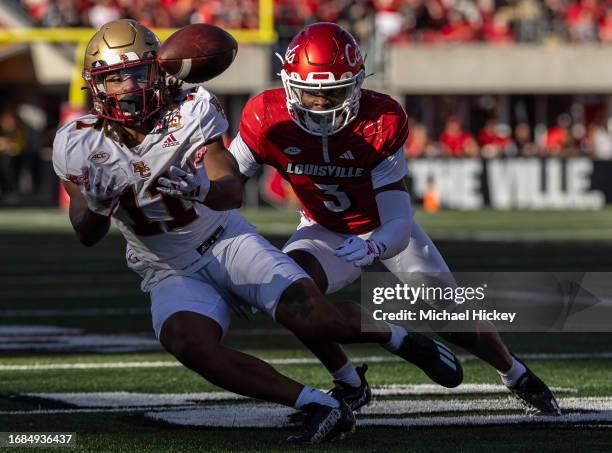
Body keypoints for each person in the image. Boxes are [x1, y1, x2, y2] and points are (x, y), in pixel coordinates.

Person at [52, 19, 463, 444]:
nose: (126, 87)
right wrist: (99, 207)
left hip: (225, 241)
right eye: (114, 78)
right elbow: (85, 232)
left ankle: (395, 337)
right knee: (188, 343)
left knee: (313, 316)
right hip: (166, 267)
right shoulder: (77, 143)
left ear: (158, 71)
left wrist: (203, 188)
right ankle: (316, 404)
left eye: (136, 74)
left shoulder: (190, 109)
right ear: (95, 85)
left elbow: (232, 190)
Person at [229, 22, 561, 416]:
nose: (321, 105)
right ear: (287, 82)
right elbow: (226, 182)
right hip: (322, 229)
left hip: (378, 227)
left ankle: (514, 372)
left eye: (333, 93)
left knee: (450, 316)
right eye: (312, 93)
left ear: (356, 84)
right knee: (291, 295)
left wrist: (373, 246)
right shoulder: (265, 115)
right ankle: (350, 382)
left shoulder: (379, 120)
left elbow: (399, 223)